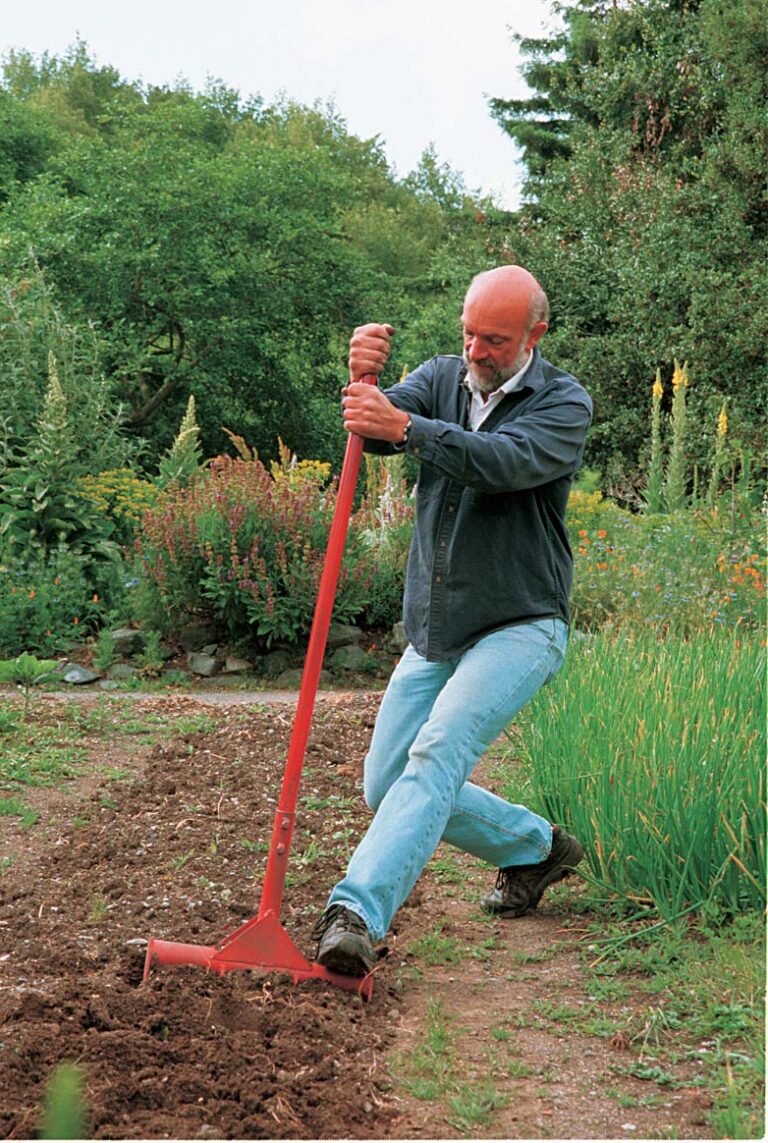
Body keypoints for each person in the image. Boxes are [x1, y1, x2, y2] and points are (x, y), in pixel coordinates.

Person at [310, 264, 593, 977]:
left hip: (522, 622)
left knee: (437, 752)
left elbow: (502, 462)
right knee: (386, 784)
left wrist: (406, 426)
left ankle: (355, 913)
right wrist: (363, 383)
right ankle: (536, 849)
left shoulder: (563, 403)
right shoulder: (439, 377)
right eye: (468, 333)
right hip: (438, 625)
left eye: (494, 339)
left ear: (535, 335)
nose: (475, 350)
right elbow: (374, 432)